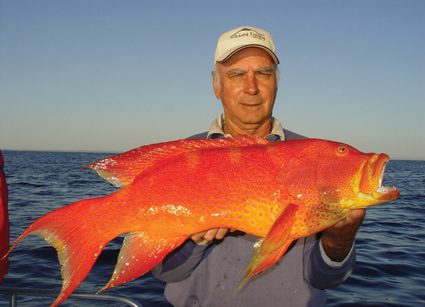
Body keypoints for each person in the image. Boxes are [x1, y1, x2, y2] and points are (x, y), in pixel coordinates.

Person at [152, 26, 365, 306]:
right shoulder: (180, 160)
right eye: (237, 74)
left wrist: (339, 240)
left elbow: (327, 280)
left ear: (276, 82)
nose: (251, 87)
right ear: (217, 85)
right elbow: (166, 272)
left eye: (263, 73)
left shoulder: (312, 159)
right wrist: (194, 240)